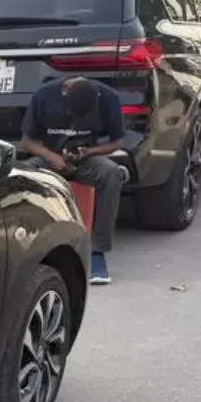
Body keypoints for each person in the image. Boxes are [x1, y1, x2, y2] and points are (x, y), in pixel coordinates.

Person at [20, 76, 126, 285]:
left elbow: (117, 141)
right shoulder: (44, 95)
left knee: (111, 173)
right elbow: (27, 142)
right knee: (26, 174)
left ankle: (97, 252)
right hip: (50, 157)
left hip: (85, 159)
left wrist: (88, 152)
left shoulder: (108, 98)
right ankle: (31, 247)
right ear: (64, 92)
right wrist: (54, 158)